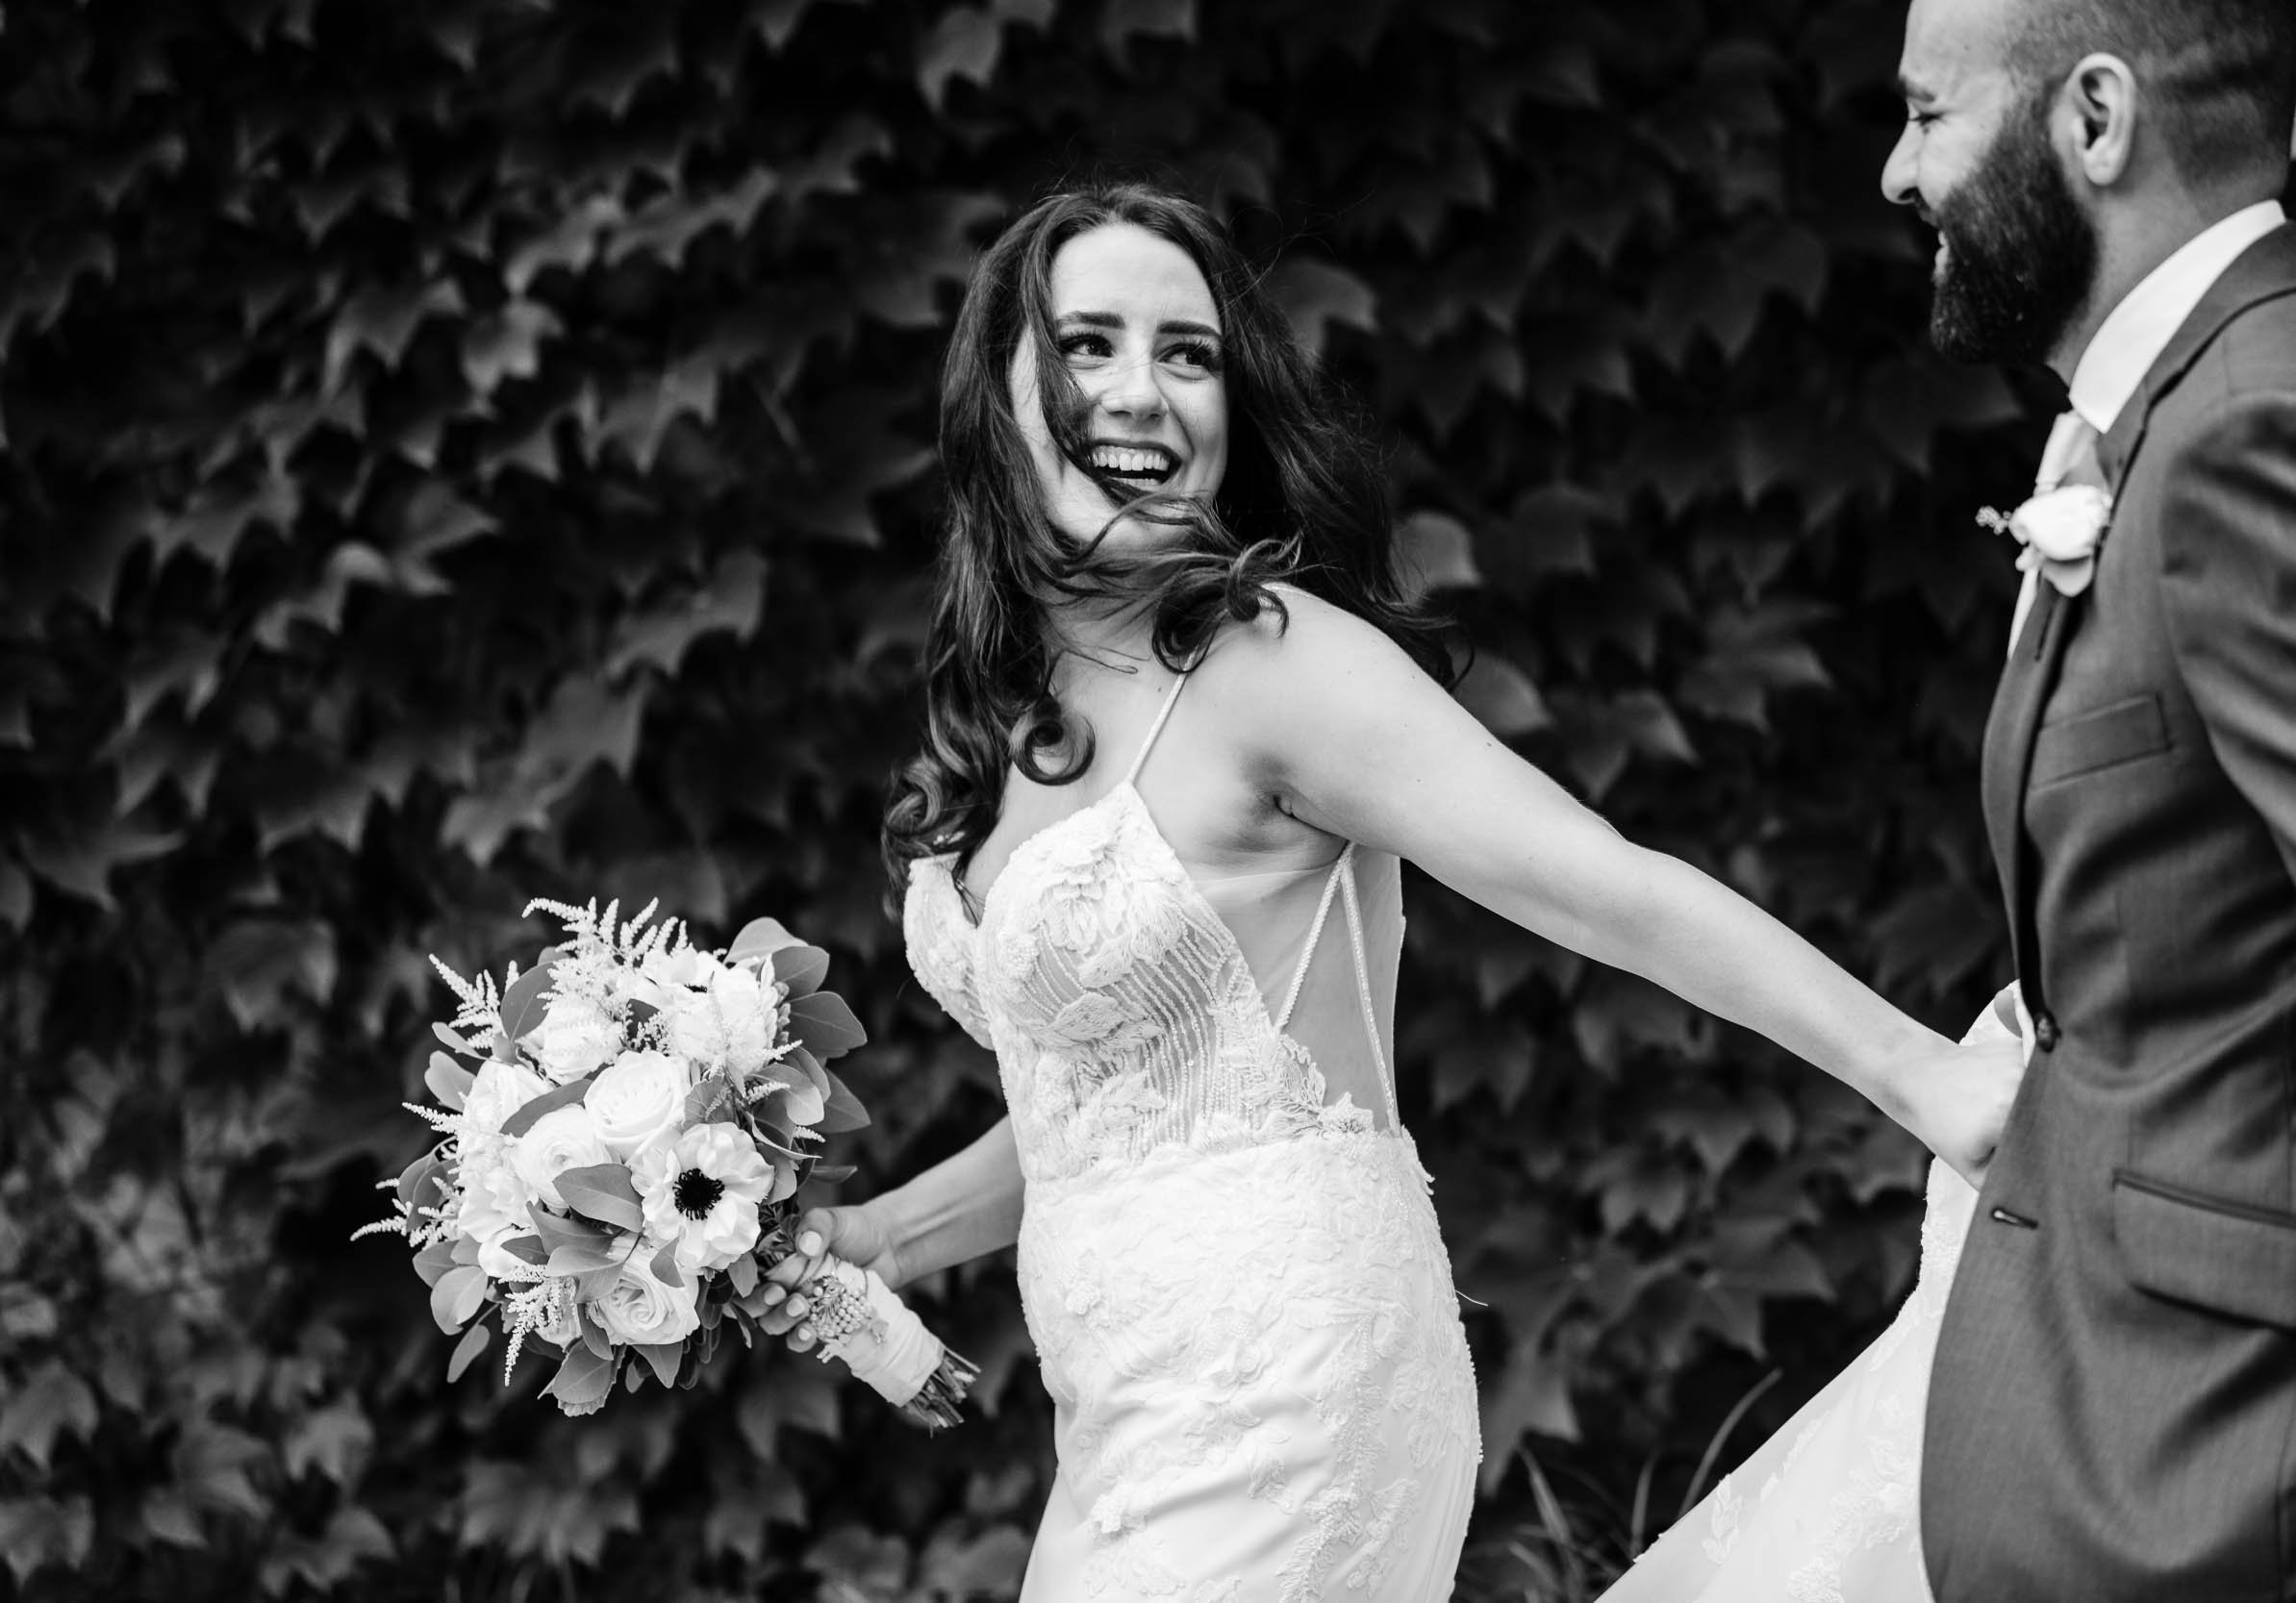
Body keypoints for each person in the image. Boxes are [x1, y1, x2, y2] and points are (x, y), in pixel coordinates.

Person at [740, 181, 2023, 1600]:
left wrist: (1929, 1081)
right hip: (1121, 1414)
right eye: (1088, 343)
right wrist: (882, 1237)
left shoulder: (1270, 658)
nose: (1142, 393)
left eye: (1189, 353)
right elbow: (1100, 1108)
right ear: (996, 394)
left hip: (1289, 1381)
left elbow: (1604, 888)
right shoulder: (1005, 721)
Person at [1605, 0, 2296, 1598]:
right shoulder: (2187, 406)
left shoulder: (2267, 428)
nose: (1898, 174)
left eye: (1929, 114)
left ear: (2094, 121)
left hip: (2221, 1486)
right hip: (2110, 1416)